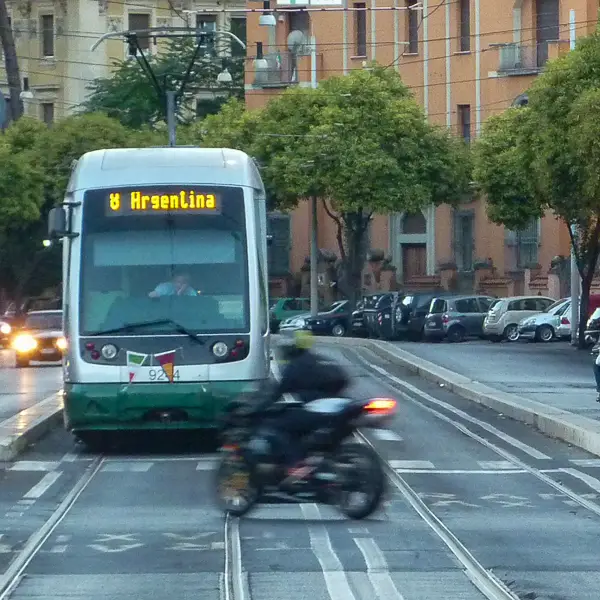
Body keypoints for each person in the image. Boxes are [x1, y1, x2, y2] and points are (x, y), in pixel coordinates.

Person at [252, 330, 350, 480]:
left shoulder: (296, 366)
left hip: (317, 409)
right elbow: (345, 379)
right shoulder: (318, 360)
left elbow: (278, 392)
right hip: (339, 407)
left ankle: (296, 465)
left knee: (280, 426)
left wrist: (258, 409)